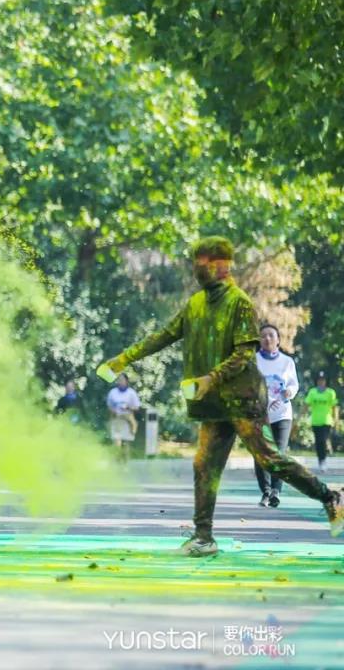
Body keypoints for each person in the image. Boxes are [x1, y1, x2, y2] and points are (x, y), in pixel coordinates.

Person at [102, 237, 342, 557]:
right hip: (214, 403)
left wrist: (210, 378)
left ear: (221, 265)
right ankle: (204, 537)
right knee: (204, 465)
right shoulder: (195, 304)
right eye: (195, 262)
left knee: (268, 458)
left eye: (201, 262)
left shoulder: (239, 302)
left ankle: (330, 497)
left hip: (243, 399)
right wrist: (124, 359)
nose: (196, 268)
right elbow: (164, 335)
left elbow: (245, 353)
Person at [253, 323, 299, 507]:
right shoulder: (253, 361)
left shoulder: (287, 362)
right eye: (263, 336)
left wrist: (289, 391)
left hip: (282, 415)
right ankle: (265, 491)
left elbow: (294, 384)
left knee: (279, 453)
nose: (267, 338)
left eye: (271, 335)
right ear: (259, 340)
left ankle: (276, 491)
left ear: (278, 340)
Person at [305, 371, 339, 474]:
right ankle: (320, 460)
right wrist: (301, 416)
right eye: (319, 380)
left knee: (323, 440)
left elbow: (334, 407)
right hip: (315, 421)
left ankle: (323, 460)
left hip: (326, 421)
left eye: (323, 380)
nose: (321, 382)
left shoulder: (330, 393)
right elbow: (306, 404)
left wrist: (336, 419)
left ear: (325, 381)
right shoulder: (312, 392)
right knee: (318, 442)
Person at [106, 374, 140, 459]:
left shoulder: (131, 393)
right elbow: (109, 406)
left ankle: (125, 460)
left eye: (122, 380)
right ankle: (117, 459)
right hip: (117, 418)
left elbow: (136, 407)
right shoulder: (113, 392)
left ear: (126, 381)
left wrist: (128, 407)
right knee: (116, 440)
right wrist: (114, 411)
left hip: (128, 419)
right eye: (119, 380)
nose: (120, 381)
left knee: (126, 442)